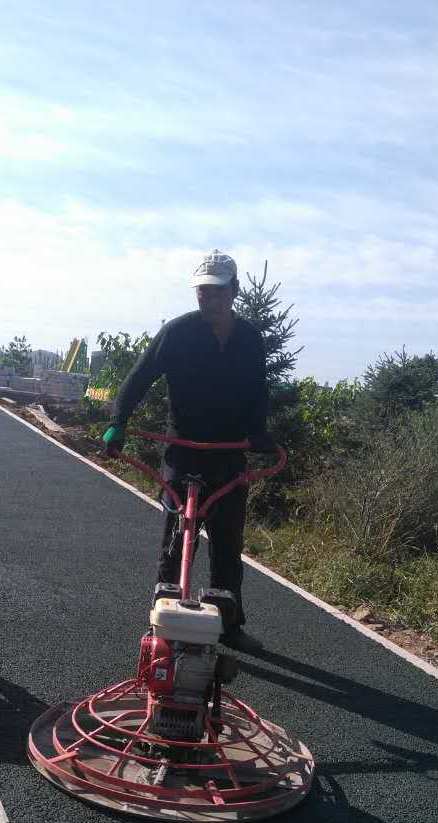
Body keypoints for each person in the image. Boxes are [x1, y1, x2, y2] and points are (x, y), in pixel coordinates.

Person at [102, 250, 274, 653]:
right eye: (201, 291)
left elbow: (257, 391)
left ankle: (228, 626)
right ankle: (163, 621)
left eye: (216, 291)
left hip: (229, 453)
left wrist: (259, 433)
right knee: (177, 539)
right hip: (184, 451)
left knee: (228, 544)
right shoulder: (178, 333)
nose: (208, 299)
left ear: (233, 290)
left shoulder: (249, 339)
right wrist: (118, 421)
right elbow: (139, 377)